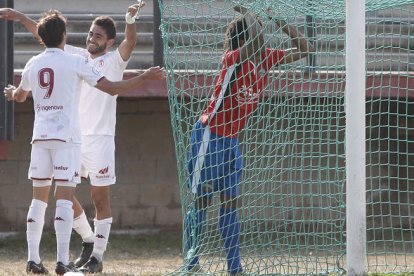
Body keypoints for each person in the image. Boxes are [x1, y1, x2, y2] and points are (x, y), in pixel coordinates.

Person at [3, 10, 165, 275]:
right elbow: (46, 35)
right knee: (62, 194)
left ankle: (96, 257)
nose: (91, 38)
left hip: (99, 138)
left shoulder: (113, 60)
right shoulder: (77, 57)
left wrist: (130, 21)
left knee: (99, 198)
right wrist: (21, 18)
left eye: (98, 36)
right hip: (72, 138)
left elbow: (130, 43)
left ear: (109, 42)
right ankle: (88, 240)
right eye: (90, 33)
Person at [184, 5, 314, 275]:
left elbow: (305, 48)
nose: (263, 35)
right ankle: (191, 262)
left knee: (231, 204)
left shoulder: (264, 58)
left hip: (232, 143)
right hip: (210, 136)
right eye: (258, 31)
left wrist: (277, 19)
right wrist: (250, 12)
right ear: (243, 39)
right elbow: (255, 38)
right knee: (202, 201)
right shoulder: (232, 58)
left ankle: (235, 267)